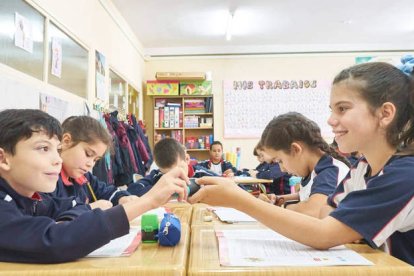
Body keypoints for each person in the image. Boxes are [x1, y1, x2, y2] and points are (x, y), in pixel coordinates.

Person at [189, 62, 414, 265]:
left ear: (385, 113)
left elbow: (324, 233)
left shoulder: (404, 174)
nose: (330, 120)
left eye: (343, 108)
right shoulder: (363, 167)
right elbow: (327, 212)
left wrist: (240, 200)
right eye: (332, 110)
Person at [0, 109, 188, 263]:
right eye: (43, 149)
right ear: (3, 158)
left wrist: (77, 216)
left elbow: (70, 208)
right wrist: (148, 201)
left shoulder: (32, 197)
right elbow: (55, 240)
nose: (57, 159)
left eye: (56, 150)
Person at [256, 112, 350, 217]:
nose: (282, 169)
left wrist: (283, 206)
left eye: (280, 161)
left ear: (295, 149)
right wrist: (279, 200)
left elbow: (313, 211)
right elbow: (307, 195)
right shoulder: (314, 171)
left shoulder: (331, 171)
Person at [51, 116, 137, 210]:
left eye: (95, 160)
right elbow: (53, 213)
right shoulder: (49, 178)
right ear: (66, 141)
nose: (91, 164)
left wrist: (122, 198)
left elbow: (105, 190)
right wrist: (89, 208)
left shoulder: (85, 178)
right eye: (88, 154)